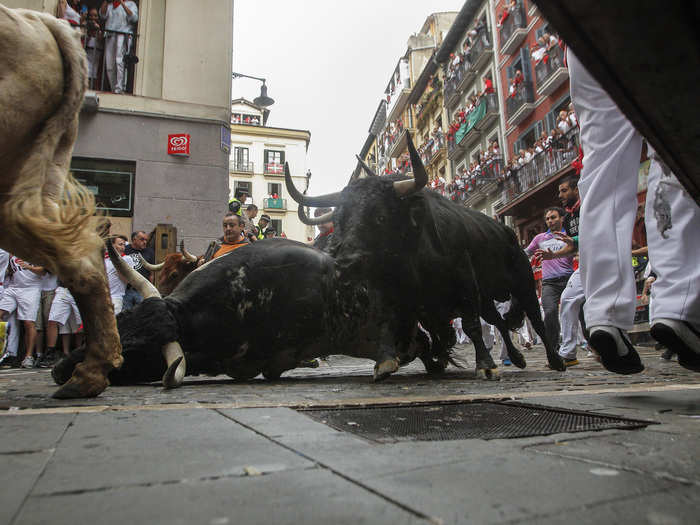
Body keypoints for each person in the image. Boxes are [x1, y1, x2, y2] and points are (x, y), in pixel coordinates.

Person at [568, 48, 700, 373]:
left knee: (601, 171)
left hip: (582, 30)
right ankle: (677, 304)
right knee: (672, 145)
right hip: (649, 23)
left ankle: (603, 315)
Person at [525, 208, 574, 362]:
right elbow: (526, 252)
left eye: (553, 217)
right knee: (550, 312)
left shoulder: (569, 235)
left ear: (561, 218)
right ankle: (553, 350)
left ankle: (590, 344)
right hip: (549, 283)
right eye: (547, 219)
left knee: (577, 312)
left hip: (569, 279)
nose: (550, 221)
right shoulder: (540, 238)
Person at [0, 256, 46, 368]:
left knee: (28, 322)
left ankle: (29, 356)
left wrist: (29, 267)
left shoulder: (34, 251)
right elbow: (12, 269)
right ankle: (4, 352)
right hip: (13, 287)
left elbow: (43, 271)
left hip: (31, 289)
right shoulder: (12, 251)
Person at [99, 0, 138, 94]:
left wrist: (122, 3)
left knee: (119, 61)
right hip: (110, 35)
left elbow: (134, 18)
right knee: (109, 64)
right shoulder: (110, 5)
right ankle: (114, 88)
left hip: (123, 35)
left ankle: (120, 88)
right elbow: (102, 15)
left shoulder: (130, 4)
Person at [123, 230, 155, 310]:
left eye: (146, 240)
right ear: (134, 240)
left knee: (141, 314)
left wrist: (149, 290)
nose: (144, 242)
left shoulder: (150, 252)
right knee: (125, 314)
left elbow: (151, 273)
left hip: (142, 291)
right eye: (142, 239)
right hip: (126, 290)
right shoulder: (125, 250)